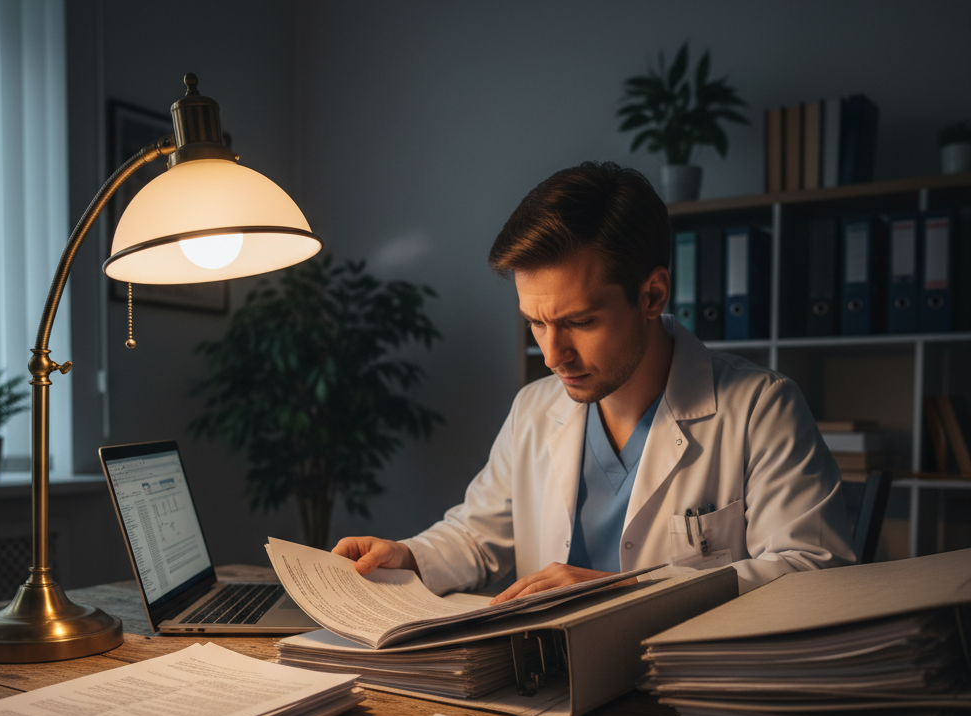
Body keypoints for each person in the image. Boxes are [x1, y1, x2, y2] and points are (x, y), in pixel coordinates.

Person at [333, 161, 855, 600]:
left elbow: (813, 573)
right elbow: (478, 535)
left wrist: (626, 591)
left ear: (652, 296)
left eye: (579, 322)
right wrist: (408, 555)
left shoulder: (762, 409)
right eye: (536, 323)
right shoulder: (533, 410)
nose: (552, 354)